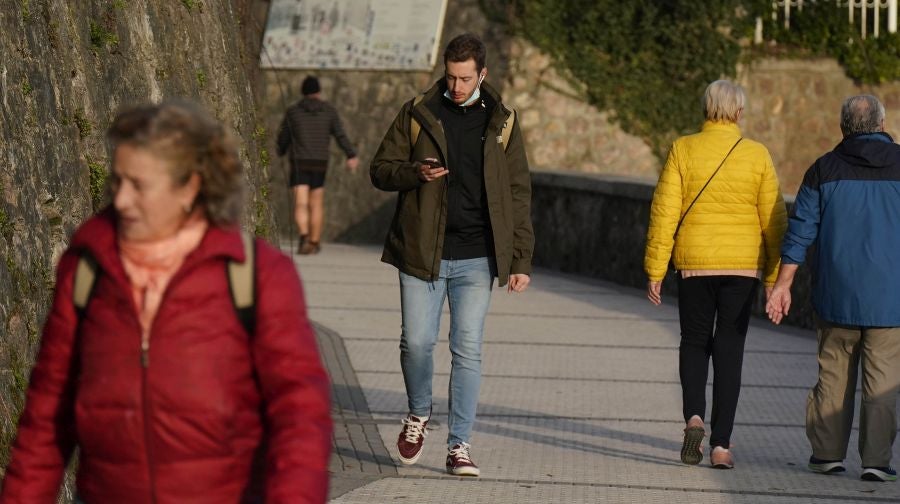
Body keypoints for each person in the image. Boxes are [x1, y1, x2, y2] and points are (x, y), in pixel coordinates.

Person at [0, 101, 333, 503]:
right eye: (116, 181)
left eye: (138, 185)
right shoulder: (88, 267)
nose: (120, 200)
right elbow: (47, 415)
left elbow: (300, 414)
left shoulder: (256, 276)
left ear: (190, 187)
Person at [370, 33, 534, 477]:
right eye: (451, 77)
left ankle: (459, 445)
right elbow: (380, 170)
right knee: (417, 342)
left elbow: (518, 192)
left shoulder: (502, 121)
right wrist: (415, 172)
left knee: (468, 349)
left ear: (482, 74)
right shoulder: (419, 112)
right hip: (422, 251)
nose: (457, 86)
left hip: (477, 255)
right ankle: (418, 414)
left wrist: (520, 259)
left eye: (465, 78)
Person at [644, 80, 787, 469]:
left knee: (693, 342)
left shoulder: (683, 148)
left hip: (694, 264)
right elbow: (775, 220)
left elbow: (664, 214)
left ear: (706, 109)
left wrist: (655, 269)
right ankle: (722, 445)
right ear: (739, 112)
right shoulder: (757, 154)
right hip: (742, 269)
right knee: (729, 349)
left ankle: (694, 417)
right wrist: (775, 278)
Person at [767, 95, 900, 483]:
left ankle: (826, 454)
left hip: (837, 294)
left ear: (843, 126)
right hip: (890, 299)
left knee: (833, 375)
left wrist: (783, 285)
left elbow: (800, 231)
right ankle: (876, 461)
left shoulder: (823, 170)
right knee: (883, 383)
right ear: (882, 123)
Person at [277, 75, 359, 255]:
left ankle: (304, 236)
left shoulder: (294, 112)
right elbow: (340, 134)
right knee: (316, 203)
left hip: (299, 162)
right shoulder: (329, 111)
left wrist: (280, 151)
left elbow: (284, 137)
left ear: (303, 92)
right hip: (320, 163)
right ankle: (314, 241)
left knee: (300, 203)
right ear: (319, 91)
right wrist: (350, 154)